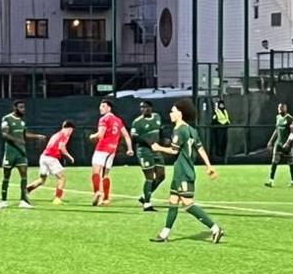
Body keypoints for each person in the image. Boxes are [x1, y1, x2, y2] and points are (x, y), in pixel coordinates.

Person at [150, 98, 224, 244]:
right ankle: (165, 233)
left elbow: (173, 150)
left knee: (188, 203)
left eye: (173, 111)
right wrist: (209, 166)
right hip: (182, 171)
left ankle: (215, 228)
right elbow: (200, 148)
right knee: (173, 200)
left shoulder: (179, 130)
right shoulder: (191, 130)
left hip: (183, 172)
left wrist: (158, 148)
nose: (170, 113)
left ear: (180, 113)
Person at [0, 100, 45, 209]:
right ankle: (3, 200)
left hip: (21, 152)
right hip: (10, 152)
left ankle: (23, 200)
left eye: (24, 107)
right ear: (15, 108)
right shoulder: (6, 118)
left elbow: (24, 134)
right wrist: (17, 140)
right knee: (6, 175)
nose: (23, 109)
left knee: (23, 175)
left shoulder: (22, 121)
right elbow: (4, 134)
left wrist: (37, 136)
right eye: (21, 107)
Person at [87, 98, 134, 206]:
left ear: (109, 108)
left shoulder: (104, 119)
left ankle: (97, 193)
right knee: (106, 174)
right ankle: (106, 199)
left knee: (96, 171)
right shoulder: (118, 120)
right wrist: (130, 149)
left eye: (103, 106)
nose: (100, 108)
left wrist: (91, 136)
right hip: (112, 150)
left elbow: (100, 135)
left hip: (102, 148)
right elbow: (126, 135)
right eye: (100, 106)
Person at [26, 121, 75, 204]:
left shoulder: (56, 134)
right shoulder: (64, 135)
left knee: (42, 179)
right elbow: (61, 147)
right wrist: (69, 157)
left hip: (43, 157)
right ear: (69, 129)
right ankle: (57, 198)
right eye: (71, 130)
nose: (71, 132)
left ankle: (26, 190)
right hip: (51, 158)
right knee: (62, 178)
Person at [131, 101, 167, 212]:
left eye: (145, 107)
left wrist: (163, 139)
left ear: (150, 108)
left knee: (161, 175)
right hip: (144, 151)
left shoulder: (157, 117)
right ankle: (147, 203)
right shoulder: (137, 122)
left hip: (156, 150)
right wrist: (150, 143)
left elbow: (160, 131)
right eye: (141, 107)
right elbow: (134, 138)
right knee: (149, 177)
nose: (143, 109)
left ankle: (145, 196)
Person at [265, 102, 293, 187]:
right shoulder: (278, 117)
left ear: (285, 109)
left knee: (290, 162)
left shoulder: (290, 119)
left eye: (281, 108)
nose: (279, 109)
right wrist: (271, 141)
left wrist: (287, 143)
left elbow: (292, 133)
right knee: (274, 161)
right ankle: (271, 181)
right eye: (278, 108)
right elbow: (276, 130)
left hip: (287, 145)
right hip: (278, 144)